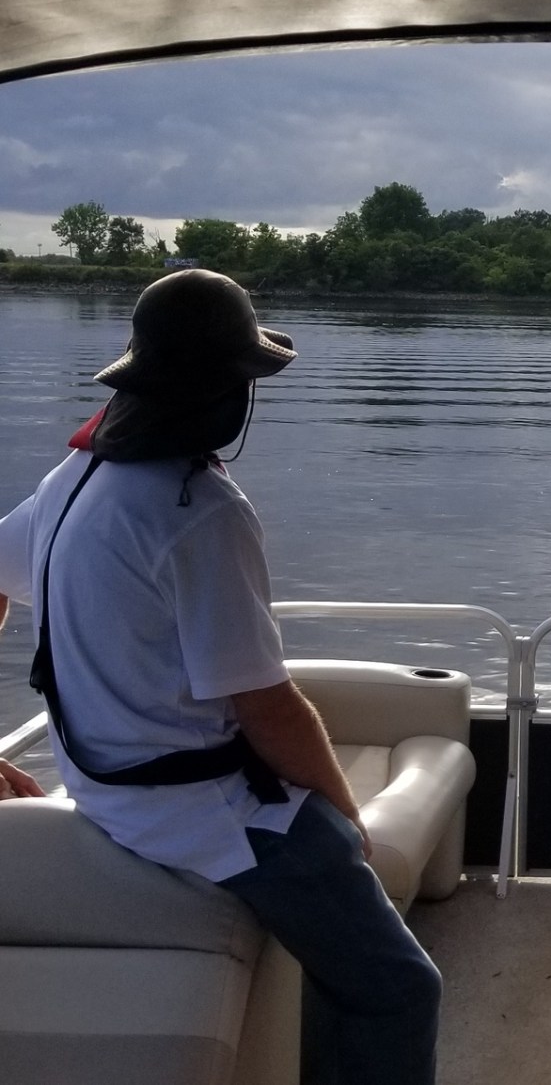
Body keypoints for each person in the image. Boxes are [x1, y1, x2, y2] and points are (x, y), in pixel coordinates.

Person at [0, 269, 441, 1085]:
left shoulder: (75, 480)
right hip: (200, 815)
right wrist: (348, 826)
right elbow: (268, 708)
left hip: (100, 783)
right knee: (398, 988)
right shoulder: (201, 511)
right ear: (230, 395)